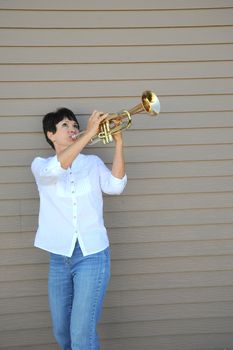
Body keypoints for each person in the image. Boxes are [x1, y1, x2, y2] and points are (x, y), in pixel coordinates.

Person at [31, 107, 127, 350]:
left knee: (82, 333)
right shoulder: (41, 165)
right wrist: (90, 133)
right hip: (59, 257)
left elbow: (115, 186)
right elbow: (58, 168)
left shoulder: (92, 163)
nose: (73, 128)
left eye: (75, 125)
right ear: (50, 134)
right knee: (62, 330)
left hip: (93, 255)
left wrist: (118, 144)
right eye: (66, 125)